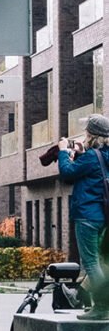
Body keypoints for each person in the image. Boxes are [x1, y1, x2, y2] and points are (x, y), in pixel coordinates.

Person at [58, 114, 109, 320]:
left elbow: (67, 172)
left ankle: (102, 307)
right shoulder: (102, 155)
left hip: (86, 216)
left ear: (92, 135)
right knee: (99, 262)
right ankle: (95, 302)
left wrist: (63, 152)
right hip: (102, 216)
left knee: (90, 263)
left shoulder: (91, 156)